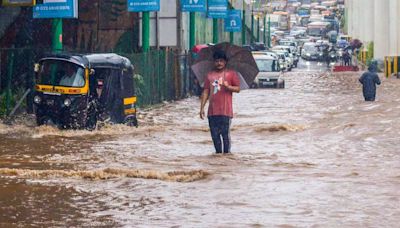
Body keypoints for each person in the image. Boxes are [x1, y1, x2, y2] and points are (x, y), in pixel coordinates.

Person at [199, 50, 240, 154]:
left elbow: (238, 89)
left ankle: (226, 156)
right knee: (214, 135)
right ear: (214, 62)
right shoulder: (209, 75)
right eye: (217, 61)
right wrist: (202, 108)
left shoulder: (231, 74)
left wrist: (228, 86)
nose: (219, 63)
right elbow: (206, 91)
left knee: (225, 135)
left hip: (226, 111)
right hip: (212, 112)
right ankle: (218, 156)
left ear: (225, 62)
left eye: (221, 61)